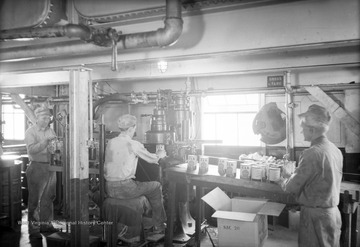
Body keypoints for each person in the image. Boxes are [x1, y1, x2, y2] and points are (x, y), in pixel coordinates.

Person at [279, 104, 343, 247]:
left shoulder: (312, 153)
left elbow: (291, 187)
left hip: (315, 216)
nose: (301, 132)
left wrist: (283, 179)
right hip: (332, 213)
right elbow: (318, 177)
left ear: (312, 130)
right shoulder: (335, 150)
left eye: (303, 128)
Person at [104, 114, 167, 240]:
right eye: (134, 128)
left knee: (142, 186)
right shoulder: (132, 143)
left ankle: (147, 221)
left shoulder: (111, 142)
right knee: (156, 186)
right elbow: (152, 159)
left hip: (109, 187)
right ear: (131, 128)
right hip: (125, 188)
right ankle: (159, 225)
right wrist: (161, 154)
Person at [25, 106, 58, 239]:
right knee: (35, 198)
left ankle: (46, 224)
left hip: (50, 167)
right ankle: (33, 227)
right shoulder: (30, 132)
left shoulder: (51, 130)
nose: (47, 120)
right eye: (43, 118)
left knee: (48, 197)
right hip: (37, 166)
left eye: (48, 118)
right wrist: (45, 142)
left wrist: (57, 147)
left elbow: (55, 147)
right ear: (37, 118)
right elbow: (31, 149)